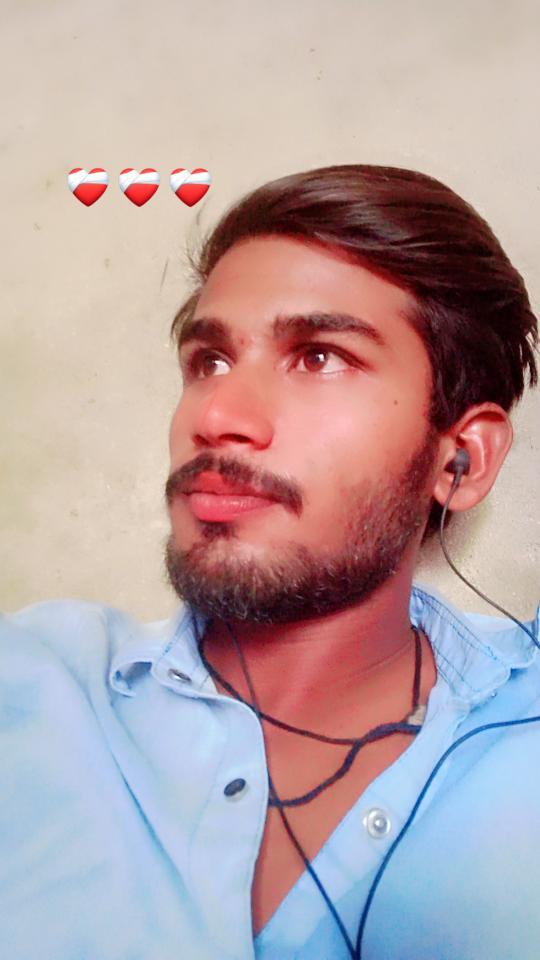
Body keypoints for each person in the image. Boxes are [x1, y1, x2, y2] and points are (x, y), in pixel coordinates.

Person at [1, 164, 538, 960]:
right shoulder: (31, 691)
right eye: (209, 362)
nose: (216, 415)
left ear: (460, 459)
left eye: (319, 356)